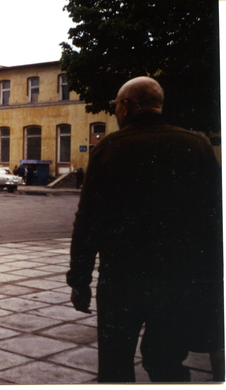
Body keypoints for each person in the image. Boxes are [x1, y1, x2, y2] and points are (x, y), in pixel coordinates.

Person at [67, 76, 223, 383]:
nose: (115, 112)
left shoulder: (109, 149)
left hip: (122, 281)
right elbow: (215, 224)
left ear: (126, 106)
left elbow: (87, 223)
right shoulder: (199, 148)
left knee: (115, 363)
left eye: (115, 106)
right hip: (177, 281)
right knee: (167, 362)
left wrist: (80, 280)